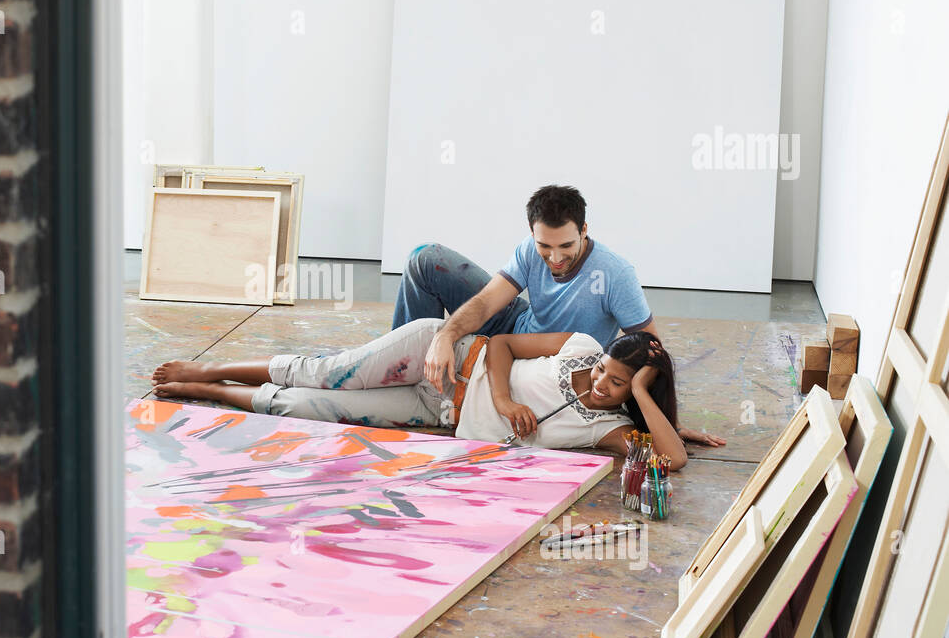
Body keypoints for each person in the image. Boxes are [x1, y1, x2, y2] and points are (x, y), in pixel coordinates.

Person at [394, 183, 724, 448]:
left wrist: (668, 422)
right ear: (533, 234)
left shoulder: (615, 274)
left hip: (557, 357)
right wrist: (446, 336)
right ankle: (409, 369)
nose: (554, 258)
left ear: (584, 230)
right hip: (516, 328)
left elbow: (650, 350)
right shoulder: (530, 247)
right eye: (544, 247)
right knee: (425, 259)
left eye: (565, 246)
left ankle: (415, 392)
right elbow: (486, 302)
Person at [151, 317, 689, 468]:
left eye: (616, 382)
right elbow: (501, 343)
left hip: (436, 412)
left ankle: (218, 394)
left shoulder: (609, 427)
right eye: (605, 371)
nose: (601, 382)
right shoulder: (582, 346)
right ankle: (209, 368)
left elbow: (672, 459)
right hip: (445, 356)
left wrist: (641, 396)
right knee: (325, 373)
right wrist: (502, 402)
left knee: (307, 408)